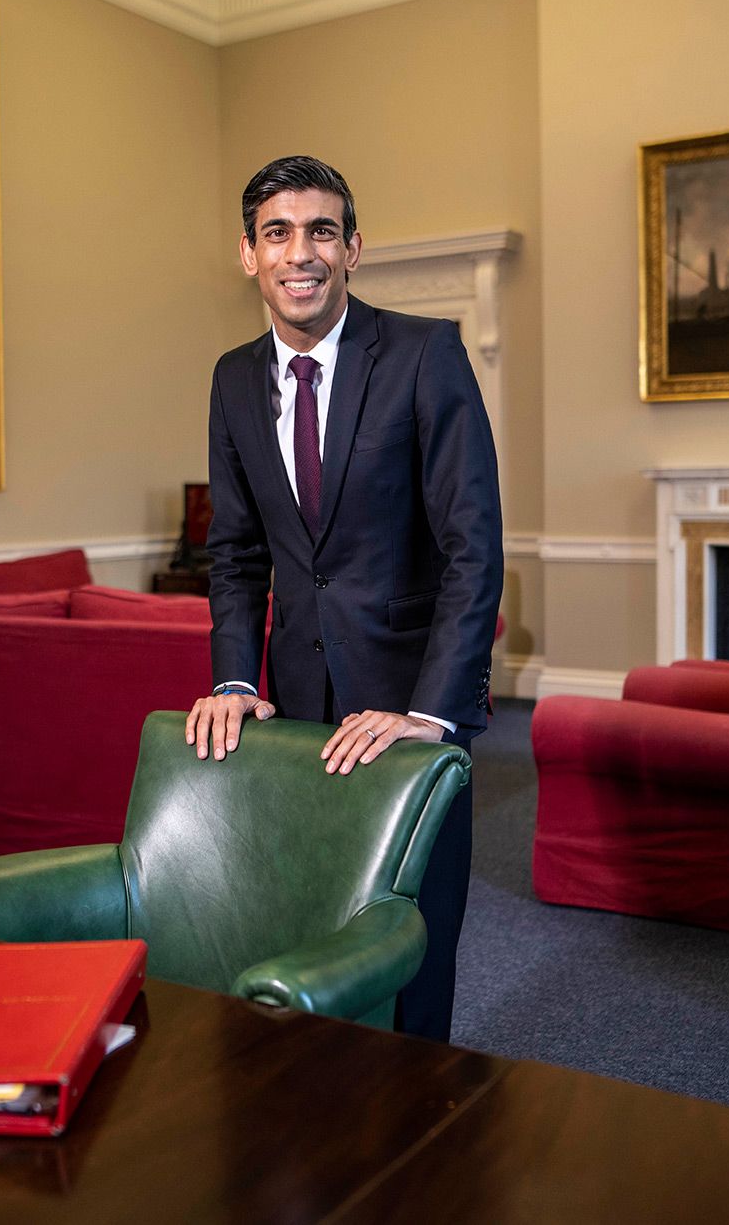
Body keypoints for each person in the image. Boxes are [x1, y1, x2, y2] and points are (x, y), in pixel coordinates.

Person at [185, 155, 503, 1042]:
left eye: (321, 230)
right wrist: (236, 681)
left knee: (414, 943)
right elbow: (238, 553)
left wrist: (431, 713)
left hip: (411, 710)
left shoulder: (423, 354)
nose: (301, 252)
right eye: (277, 232)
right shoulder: (231, 377)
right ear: (248, 254)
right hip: (295, 709)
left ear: (354, 248)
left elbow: (474, 549)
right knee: (311, 928)